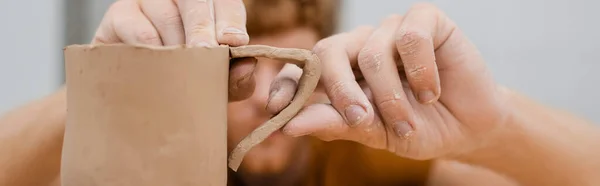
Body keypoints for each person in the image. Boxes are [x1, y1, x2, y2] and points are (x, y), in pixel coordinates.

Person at [1, 0, 599, 185]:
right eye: (238, 68)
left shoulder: (371, 163)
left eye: (288, 65)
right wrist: (103, 93)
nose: (266, 95)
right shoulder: (154, 167)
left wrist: (496, 126)